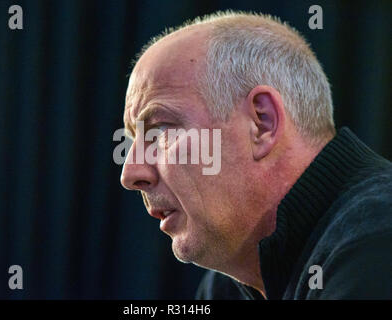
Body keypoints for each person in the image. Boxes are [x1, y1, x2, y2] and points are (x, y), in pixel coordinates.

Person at [119, 11, 392, 299]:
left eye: (160, 130)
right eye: (134, 139)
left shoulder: (378, 240)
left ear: (262, 123)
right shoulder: (226, 286)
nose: (131, 173)